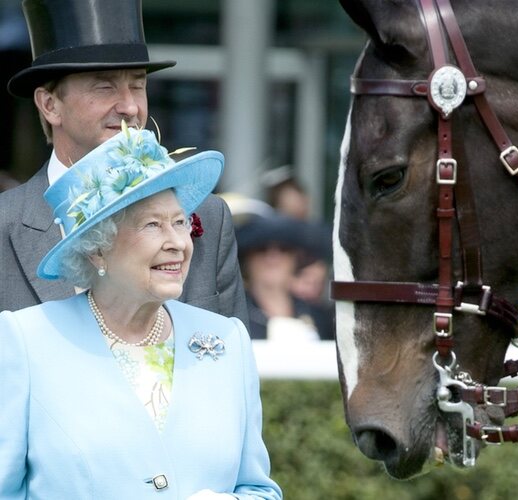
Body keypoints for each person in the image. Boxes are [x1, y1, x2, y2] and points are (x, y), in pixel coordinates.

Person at [0, 126, 282, 499]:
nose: (178, 243)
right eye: (153, 225)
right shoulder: (25, 339)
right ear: (97, 248)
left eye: (180, 222)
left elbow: (259, 489)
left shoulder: (227, 341)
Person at [0, 0, 248, 328]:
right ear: (49, 105)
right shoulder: (5, 224)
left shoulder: (211, 217)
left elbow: (228, 362)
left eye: (138, 85)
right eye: (104, 87)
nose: (130, 106)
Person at [236, 212, 333, 341]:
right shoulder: (234, 317)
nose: (272, 258)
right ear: (246, 259)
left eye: (283, 249)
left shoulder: (318, 316)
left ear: (295, 259)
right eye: (261, 249)